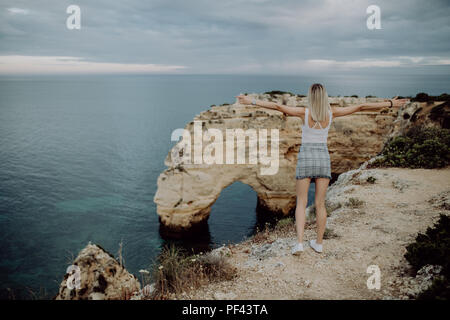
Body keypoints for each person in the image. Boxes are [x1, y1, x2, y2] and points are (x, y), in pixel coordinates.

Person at [236, 84, 409, 255]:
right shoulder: (331, 113)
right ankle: (318, 243)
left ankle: (299, 244)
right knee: (320, 204)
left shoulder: (304, 113)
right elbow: (361, 106)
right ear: (324, 97)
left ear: (311, 97)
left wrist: (249, 101)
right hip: (323, 158)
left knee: (301, 203)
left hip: (306, 158)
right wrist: (390, 104)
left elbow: (277, 106)